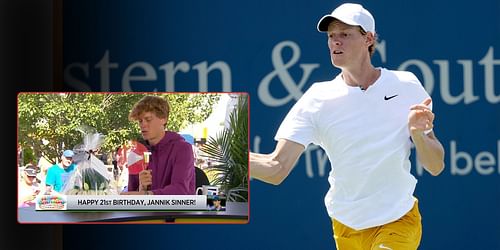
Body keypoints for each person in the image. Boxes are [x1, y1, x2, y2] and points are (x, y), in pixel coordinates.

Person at [249, 3, 445, 250]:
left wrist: (418, 135)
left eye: (345, 34)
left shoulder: (406, 85)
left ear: (369, 39)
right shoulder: (317, 98)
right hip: (345, 227)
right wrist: (213, 158)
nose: (335, 42)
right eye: (331, 36)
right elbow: (276, 168)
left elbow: (436, 165)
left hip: (399, 220)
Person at [121, 95, 195, 195]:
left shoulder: (182, 149)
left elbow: (180, 190)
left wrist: (148, 195)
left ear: (163, 119)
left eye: (148, 119)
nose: (143, 125)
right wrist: (141, 188)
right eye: (140, 121)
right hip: (147, 210)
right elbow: (132, 193)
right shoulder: (135, 155)